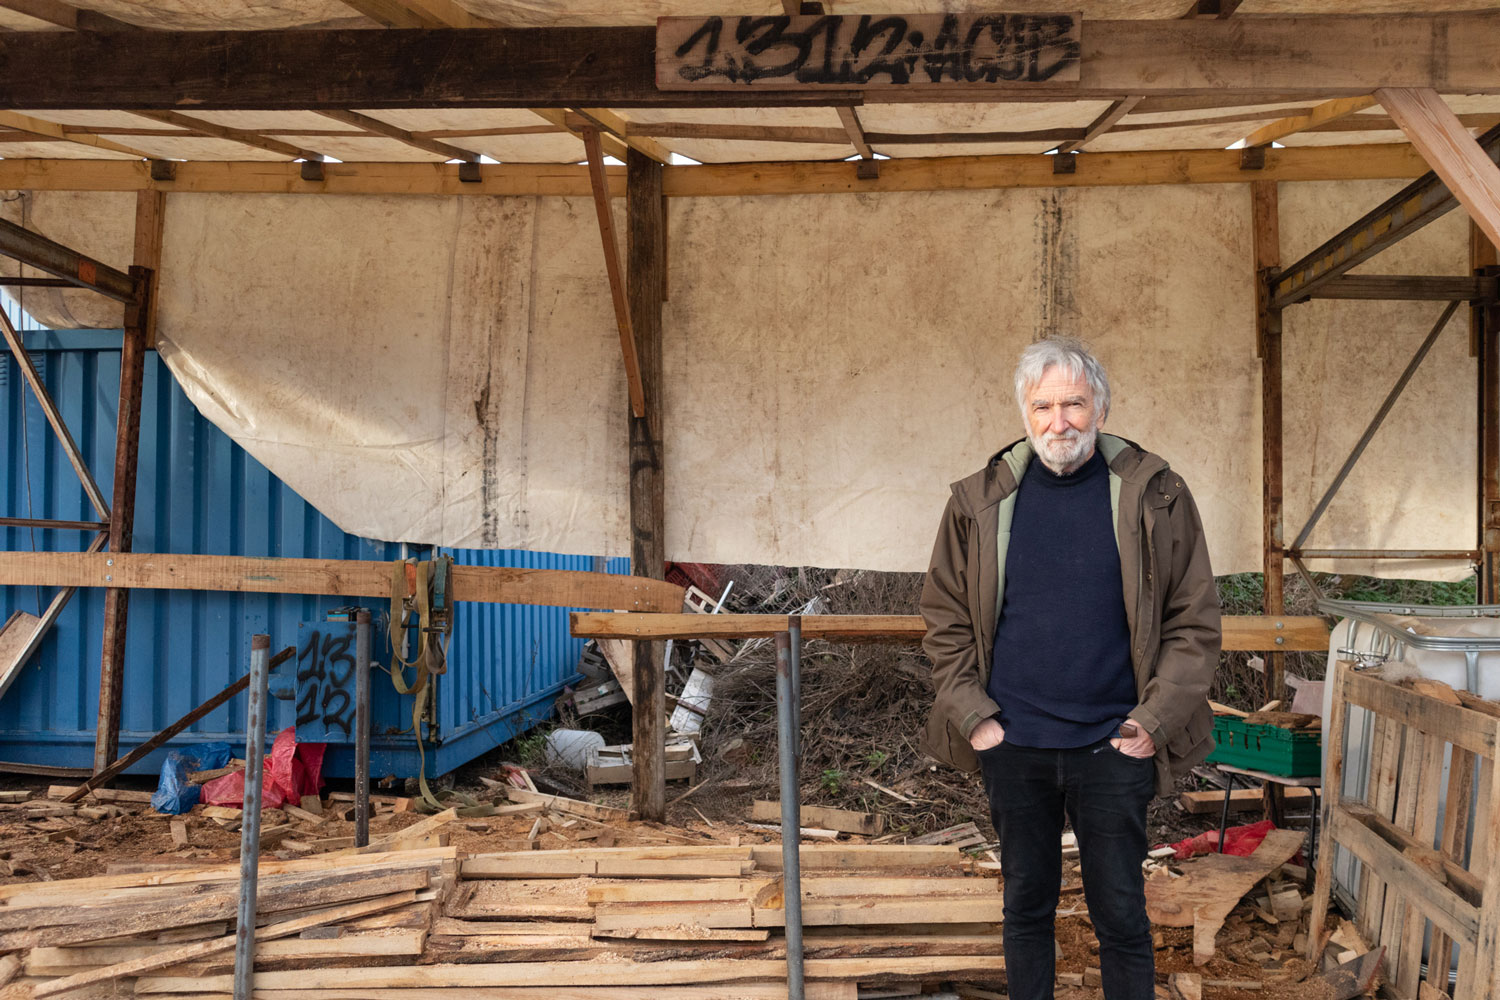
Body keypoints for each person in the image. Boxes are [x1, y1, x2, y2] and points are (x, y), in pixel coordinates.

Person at [919, 336, 1221, 1000]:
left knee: (1121, 915)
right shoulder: (980, 500)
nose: (1061, 421)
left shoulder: (1156, 495)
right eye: (1045, 405)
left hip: (1115, 743)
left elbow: (1194, 621)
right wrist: (974, 717)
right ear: (1026, 413)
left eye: (1075, 404)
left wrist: (1154, 720)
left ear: (1101, 410)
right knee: (1026, 911)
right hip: (1013, 743)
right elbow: (942, 620)